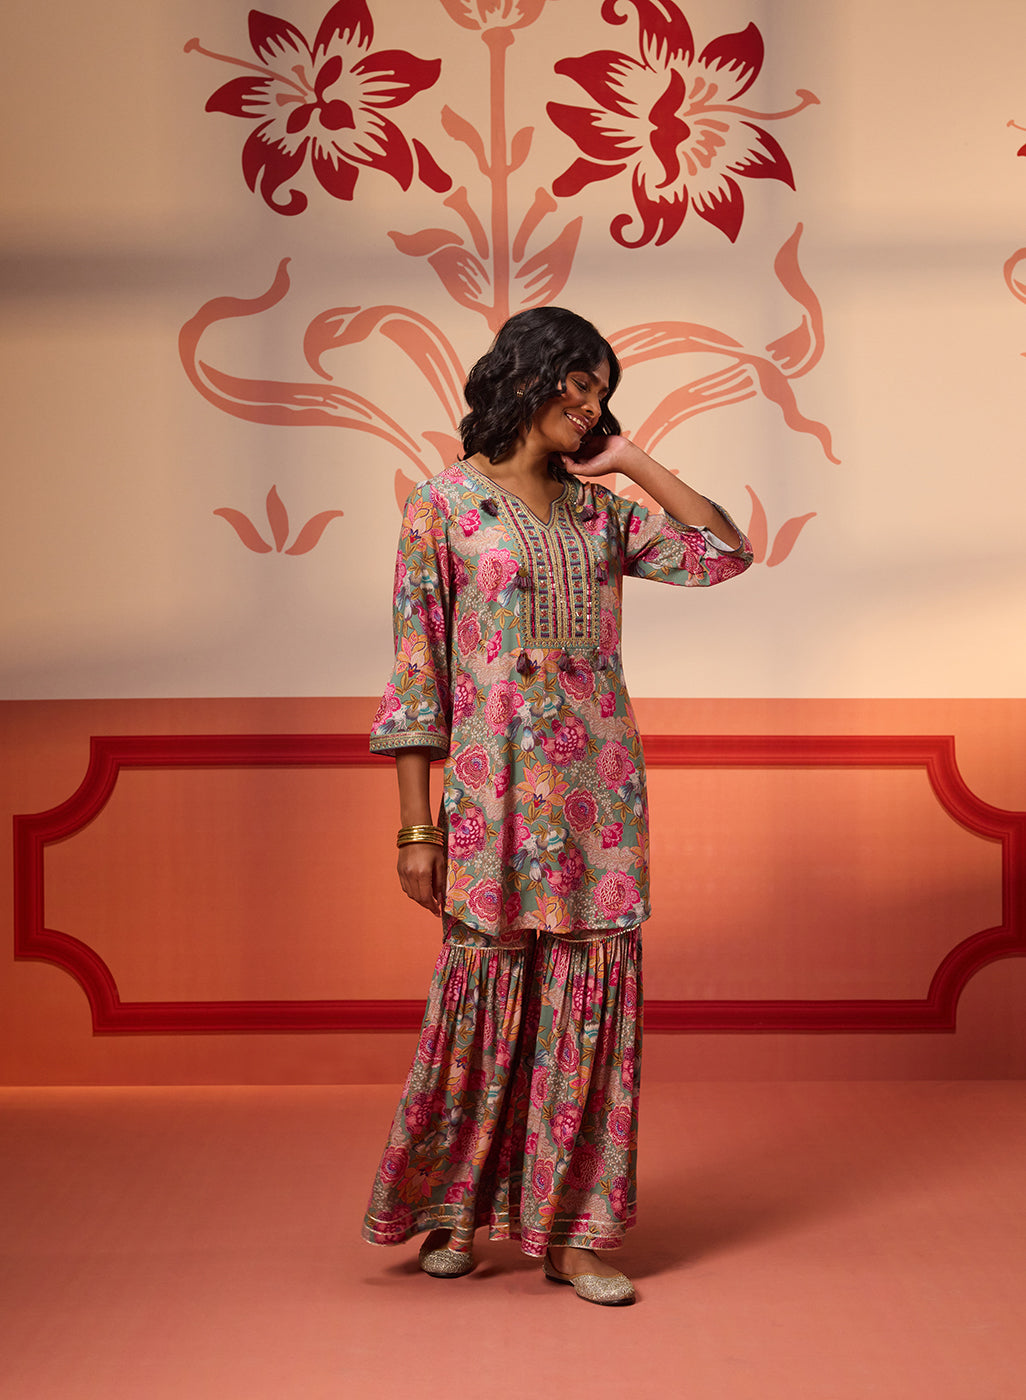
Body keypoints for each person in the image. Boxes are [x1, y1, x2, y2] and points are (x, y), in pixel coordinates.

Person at [362, 306, 752, 1305]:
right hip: (490, 797)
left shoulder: (600, 514)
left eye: (601, 391)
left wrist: (634, 460)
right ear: (523, 376)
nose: (589, 405)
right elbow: (417, 677)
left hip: (598, 802)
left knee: (588, 1001)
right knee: (482, 998)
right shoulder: (443, 507)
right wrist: (417, 826)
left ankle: (574, 1235)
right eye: (577, 383)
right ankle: (454, 1209)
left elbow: (725, 554)